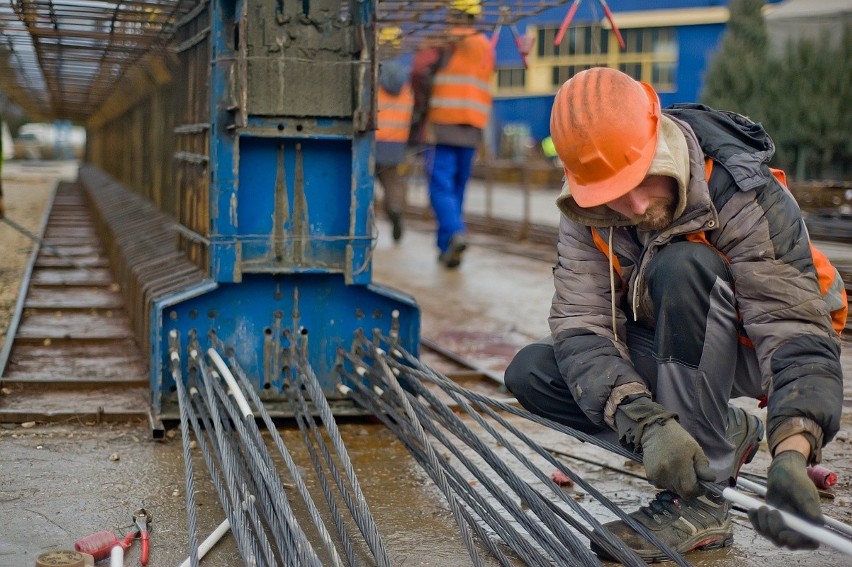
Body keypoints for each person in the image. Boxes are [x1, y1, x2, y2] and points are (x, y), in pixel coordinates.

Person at [504, 67, 847, 560]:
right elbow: (583, 327)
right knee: (535, 374)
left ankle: (700, 505)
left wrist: (793, 450)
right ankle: (721, 434)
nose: (636, 205)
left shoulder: (738, 186)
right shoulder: (586, 205)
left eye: (641, 178)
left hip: (758, 348)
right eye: (613, 194)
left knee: (683, 264)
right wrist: (647, 425)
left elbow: (792, 327)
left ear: (656, 131)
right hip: (676, 340)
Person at [410, 0, 494, 268]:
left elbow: (418, 71)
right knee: (457, 188)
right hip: (472, 128)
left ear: (451, 14)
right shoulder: (485, 46)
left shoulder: (444, 41)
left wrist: (422, 107)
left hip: (442, 124)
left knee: (439, 187)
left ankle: (456, 232)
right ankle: (446, 247)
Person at [376, 27, 414, 243]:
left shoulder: (373, 75)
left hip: (371, 139)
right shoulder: (404, 81)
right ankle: (396, 210)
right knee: (392, 184)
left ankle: (363, 223)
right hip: (396, 143)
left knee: (362, 182)